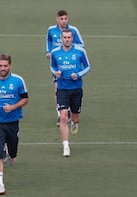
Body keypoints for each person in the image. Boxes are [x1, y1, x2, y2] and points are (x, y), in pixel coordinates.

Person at [0, 53, 28, 195]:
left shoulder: (18, 80)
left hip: (13, 122)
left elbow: (25, 99)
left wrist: (13, 107)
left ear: (10, 66)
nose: (2, 68)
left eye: (5, 66)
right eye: (0, 66)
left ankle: (10, 152)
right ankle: (0, 185)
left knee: (12, 154)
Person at [50, 29, 91, 157]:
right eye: (65, 37)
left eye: (69, 37)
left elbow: (88, 66)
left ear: (72, 38)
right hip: (62, 88)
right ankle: (66, 146)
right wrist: (55, 73)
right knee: (63, 117)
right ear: (61, 39)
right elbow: (52, 66)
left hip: (76, 88)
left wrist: (78, 75)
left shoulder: (80, 51)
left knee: (75, 115)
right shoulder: (55, 52)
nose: (67, 39)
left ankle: (75, 122)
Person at [46, 9, 85, 127]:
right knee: (57, 88)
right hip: (58, 64)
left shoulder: (73, 30)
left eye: (65, 18)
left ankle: (71, 113)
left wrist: (69, 47)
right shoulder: (51, 30)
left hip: (71, 64)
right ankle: (61, 114)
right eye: (61, 19)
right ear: (57, 19)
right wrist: (49, 51)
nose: (63, 21)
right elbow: (48, 40)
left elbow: (82, 44)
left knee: (71, 88)